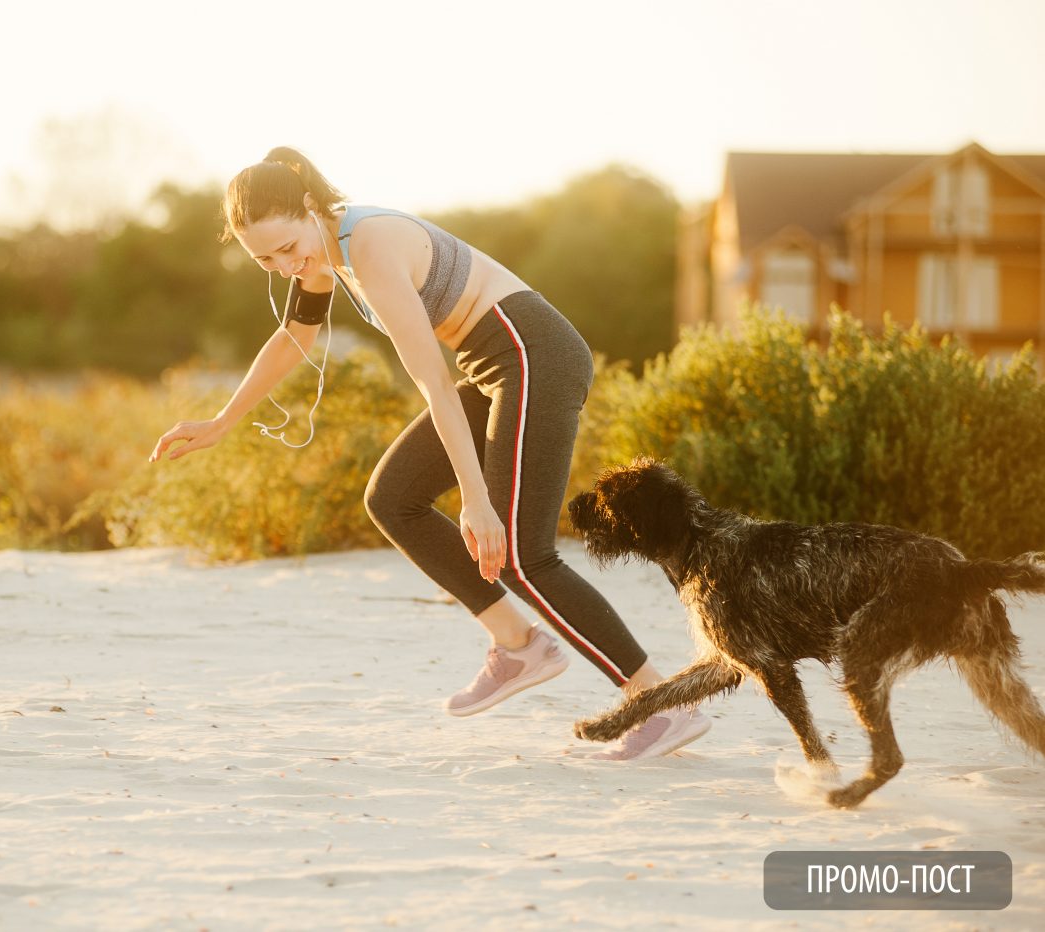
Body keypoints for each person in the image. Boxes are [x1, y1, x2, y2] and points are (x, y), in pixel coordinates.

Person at [150, 147, 709, 759]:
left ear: (309, 207)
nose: (287, 265)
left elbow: (435, 385)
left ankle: (661, 703)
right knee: (393, 497)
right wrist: (223, 420)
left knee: (522, 553)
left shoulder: (368, 247)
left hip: (531, 355)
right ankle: (519, 645)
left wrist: (476, 500)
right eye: (266, 259)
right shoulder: (321, 250)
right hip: (495, 366)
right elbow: (294, 336)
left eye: (288, 247)